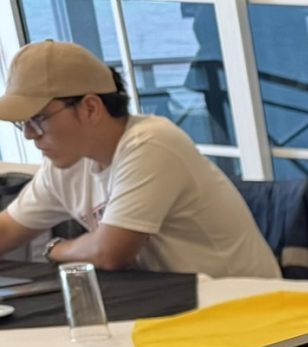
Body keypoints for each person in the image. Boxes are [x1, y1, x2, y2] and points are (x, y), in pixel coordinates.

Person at [0, 40, 279, 279]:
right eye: (23, 122)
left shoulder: (151, 144)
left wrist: (55, 249)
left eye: (38, 119)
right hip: (176, 300)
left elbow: (110, 252)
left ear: (90, 108)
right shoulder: (68, 162)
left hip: (247, 302)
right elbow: (7, 230)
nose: (28, 135)